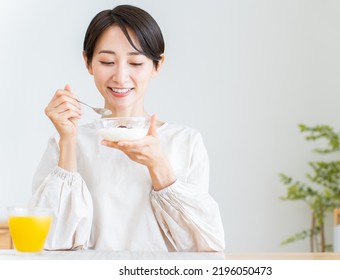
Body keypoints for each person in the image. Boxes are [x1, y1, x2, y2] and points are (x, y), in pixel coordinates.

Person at [30, 4, 225, 252]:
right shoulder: (67, 141)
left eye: (135, 63)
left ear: (157, 65)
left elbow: (204, 248)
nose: (121, 77)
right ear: (88, 62)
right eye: (107, 61)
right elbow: (50, 243)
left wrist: (159, 166)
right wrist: (68, 140)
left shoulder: (185, 142)